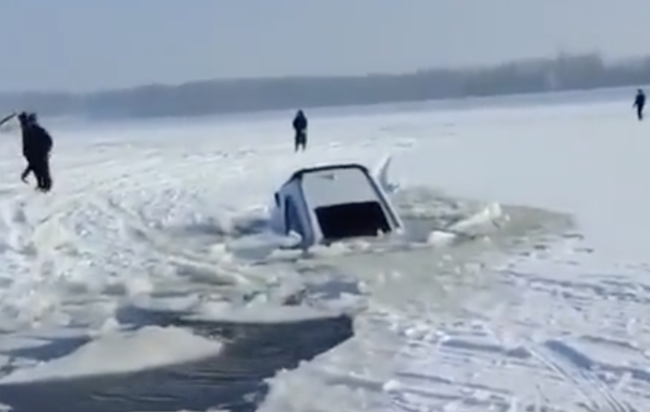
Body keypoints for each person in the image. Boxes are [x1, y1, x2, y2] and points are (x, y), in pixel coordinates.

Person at [17, 112, 53, 192]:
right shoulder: (26, 130)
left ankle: (45, 195)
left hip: (39, 157)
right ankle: (42, 192)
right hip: (34, 158)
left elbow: (48, 141)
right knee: (40, 178)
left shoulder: (36, 130)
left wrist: (44, 152)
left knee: (44, 178)